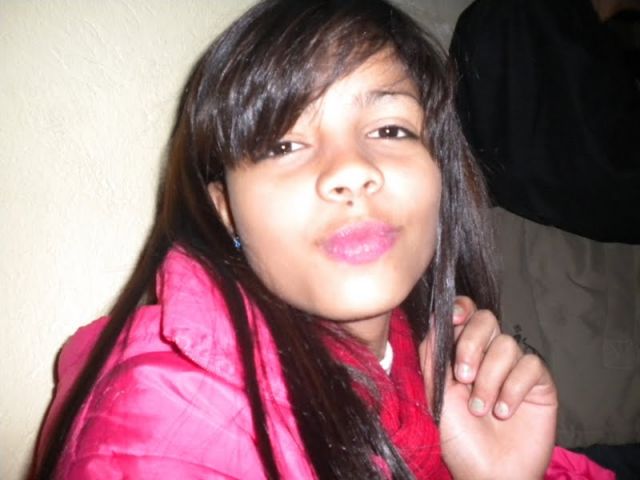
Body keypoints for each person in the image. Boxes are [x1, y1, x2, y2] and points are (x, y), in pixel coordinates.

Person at [32, 1, 613, 478]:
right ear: (224, 210)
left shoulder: (417, 357)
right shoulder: (167, 422)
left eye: (391, 129)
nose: (351, 170)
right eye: (284, 144)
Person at [450, 0, 640, 477]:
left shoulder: (572, 32)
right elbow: (538, 169)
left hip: (577, 297)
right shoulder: (523, 16)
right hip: (561, 296)